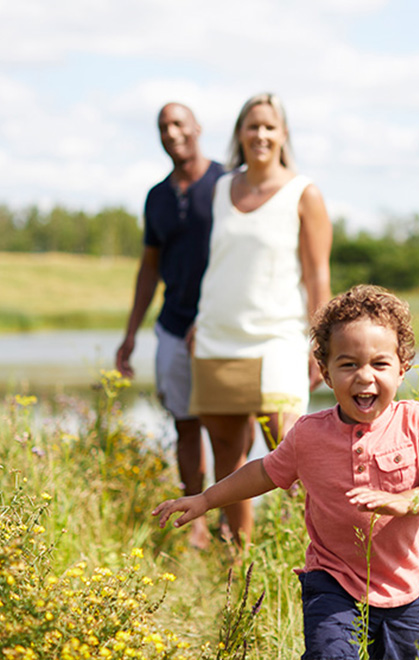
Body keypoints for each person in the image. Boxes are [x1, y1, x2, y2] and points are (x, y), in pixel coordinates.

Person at [154, 285, 419, 660]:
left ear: (402, 370)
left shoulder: (415, 422)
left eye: (379, 364)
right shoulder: (308, 434)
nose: (364, 377)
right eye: (348, 364)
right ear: (325, 373)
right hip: (333, 579)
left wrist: (404, 501)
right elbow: (262, 473)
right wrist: (205, 499)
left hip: (404, 586)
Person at [189, 92, 333, 547]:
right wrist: (198, 319)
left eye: (270, 126)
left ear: (283, 134)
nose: (261, 135)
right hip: (217, 338)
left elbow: (317, 274)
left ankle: (315, 553)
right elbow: (218, 261)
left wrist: (321, 341)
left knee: (291, 453)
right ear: (239, 134)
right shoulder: (219, 188)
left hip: (279, 339)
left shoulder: (303, 193)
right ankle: (239, 563)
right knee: (227, 459)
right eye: (252, 126)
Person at [116, 102, 224, 550]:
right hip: (172, 325)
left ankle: (234, 522)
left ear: (197, 127)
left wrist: (216, 316)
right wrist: (129, 335)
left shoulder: (227, 183)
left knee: (227, 425)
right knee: (185, 423)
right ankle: (195, 519)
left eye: (180, 123)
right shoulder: (157, 196)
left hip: (221, 326)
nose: (172, 132)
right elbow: (149, 268)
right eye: (164, 126)